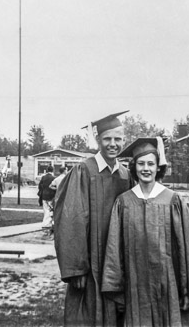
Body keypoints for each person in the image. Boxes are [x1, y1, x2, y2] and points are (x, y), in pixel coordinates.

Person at [102, 137, 189, 326]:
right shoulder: (124, 202)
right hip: (135, 283)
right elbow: (114, 248)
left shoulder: (173, 201)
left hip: (168, 281)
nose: (146, 169)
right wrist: (116, 286)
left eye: (151, 163)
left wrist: (187, 287)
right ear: (134, 167)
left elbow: (188, 246)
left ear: (158, 167)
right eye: (141, 163)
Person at [53, 111, 132, 326]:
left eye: (117, 139)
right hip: (91, 261)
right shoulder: (83, 170)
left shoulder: (126, 175)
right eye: (107, 139)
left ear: (124, 141)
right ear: (98, 140)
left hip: (117, 260)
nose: (112, 144)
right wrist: (76, 268)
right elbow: (71, 220)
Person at [38, 165, 56, 235]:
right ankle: (47, 223)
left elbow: (40, 186)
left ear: (47, 170)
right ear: (53, 170)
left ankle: (45, 222)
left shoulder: (43, 177)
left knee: (45, 209)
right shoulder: (53, 178)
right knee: (50, 209)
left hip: (44, 195)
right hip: (51, 195)